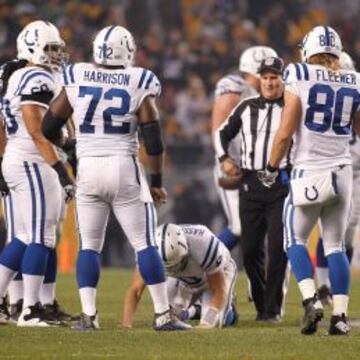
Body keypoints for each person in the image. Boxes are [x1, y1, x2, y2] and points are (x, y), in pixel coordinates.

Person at [42, 25, 189, 331]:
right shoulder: (139, 80)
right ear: (128, 51)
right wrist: (158, 180)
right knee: (144, 244)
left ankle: (89, 316)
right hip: (124, 166)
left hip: (89, 168)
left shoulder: (78, 74)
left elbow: (48, 126)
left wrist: (71, 147)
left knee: (89, 245)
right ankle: (163, 314)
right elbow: (154, 138)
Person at [261, 26, 360, 335]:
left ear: (308, 49)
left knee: (294, 240)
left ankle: (310, 300)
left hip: (309, 170)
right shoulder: (354, 79)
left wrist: (271, 166)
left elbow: (286, 129)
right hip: (343, 172)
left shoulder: (299, 73)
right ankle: (340, 317)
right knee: (335, 246)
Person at [0, 20, 75, 326]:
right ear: (32, 48)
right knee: (41, 236)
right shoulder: (33, 77)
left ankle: (20, 303)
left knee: (22, 236)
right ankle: (30, 309)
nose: (56, 54)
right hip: (32, 160)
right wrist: (60, 168)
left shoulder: (17, 74)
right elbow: (36, 130)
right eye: (51, 48)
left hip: (22, 158)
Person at [214, 56, 290, 322]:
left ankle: (272, 310)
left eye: (275, 77)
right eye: (266, 77)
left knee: (278, 247)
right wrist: (224, 158)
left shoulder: (291, 107)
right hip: (250, 183)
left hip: (281, 183)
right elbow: (222, 133)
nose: (270, 82)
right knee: (249, 250)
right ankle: (262, 307)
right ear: (260, 79)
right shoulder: (246, 107)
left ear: (283, 80)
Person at [212, 46, 278, 251]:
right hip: (233, 164)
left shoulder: (268, 96)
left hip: (256, 168)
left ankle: (259, 281)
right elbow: (218, 129)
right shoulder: (235, 87)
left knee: (260, 227)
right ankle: (202, 266)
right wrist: (224, 160)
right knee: (239, 227)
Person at [122, 223, 238, 329]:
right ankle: (193, 311)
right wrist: (126, 324)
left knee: (217, 321)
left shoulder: (203, 242)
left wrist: (207, 322)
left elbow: (218, 290)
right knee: (167, 315)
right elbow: (136, 290)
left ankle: (230, 310)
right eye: (167, 267)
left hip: (217, 274)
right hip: (183, 279)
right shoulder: (149, 251)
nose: (173, 269)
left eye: (176, 264)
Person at [315, 51, 360, 305]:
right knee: (328, 230)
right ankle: (322, 286)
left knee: (349, 231)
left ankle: (335, 287)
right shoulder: (322, 97)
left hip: (356, 171)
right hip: (330, 166)